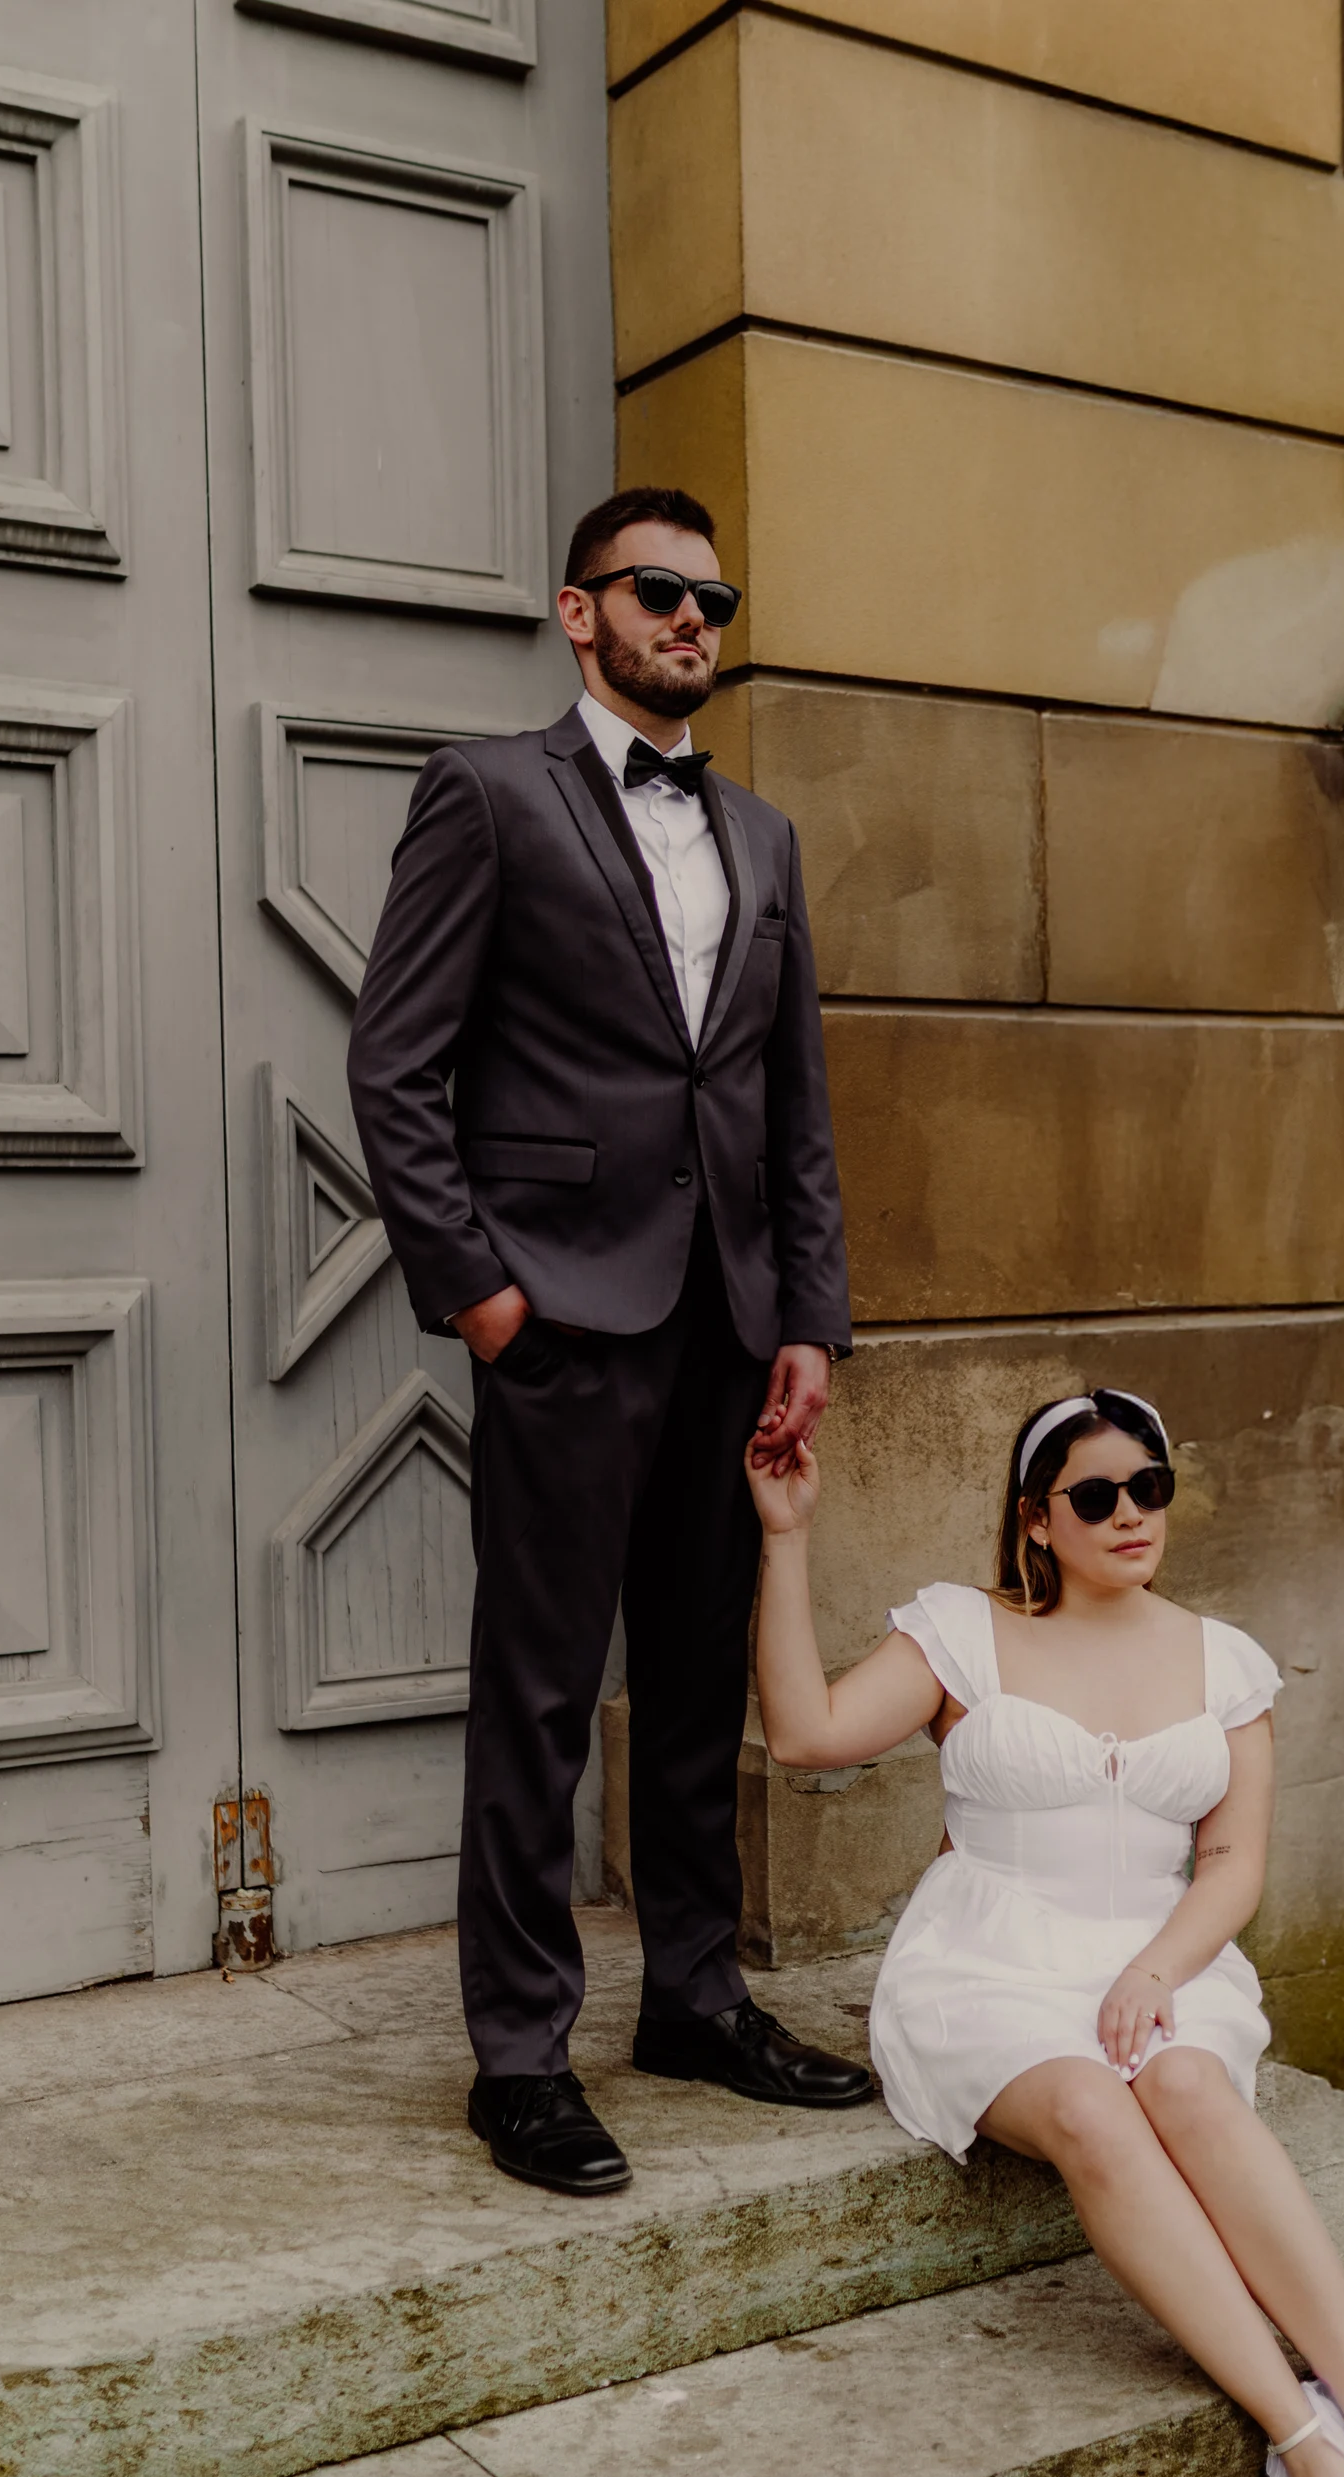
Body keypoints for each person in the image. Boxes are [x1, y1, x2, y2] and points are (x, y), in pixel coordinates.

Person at [748, 1388, 1344, 2477]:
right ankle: (1302, 2444)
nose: (1129, 1514)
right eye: (1094, 1496)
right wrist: (783, 1540)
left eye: (1148, 1487)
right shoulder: (957, 1632)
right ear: (1037, 1520)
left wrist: (1154, 1970)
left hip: (1162, 1947)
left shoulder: (1222, 1658)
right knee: (1095, 2110)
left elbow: (1232, 1864)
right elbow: (805, 1734)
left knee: (1188, 2083)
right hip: (986, 1957)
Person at [348, 483, 872, 2200]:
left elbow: (794, 1102)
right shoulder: (488, 795)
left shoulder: (768, 839)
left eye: (715, 599)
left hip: (729, 1322)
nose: (691, 622)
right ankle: (520, 2053)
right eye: (658, 592)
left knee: (702, 1679)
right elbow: (394, 1067)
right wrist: (484, 1295)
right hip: (566, 1317)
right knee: (542, 1689)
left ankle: (697, 2001)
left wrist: (809, 1320)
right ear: (580, 612)